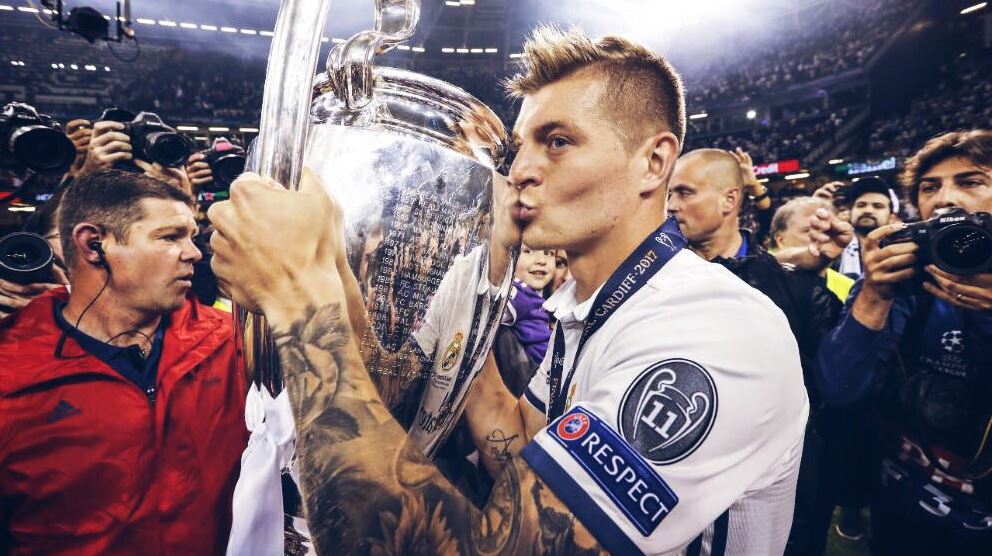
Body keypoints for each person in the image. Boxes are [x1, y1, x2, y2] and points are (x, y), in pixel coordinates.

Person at [208, 25, 808, 555]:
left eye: (558, 141)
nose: (520, 169)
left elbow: (501, 546)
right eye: (521, 147)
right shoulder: (590, 309)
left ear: (654, 163)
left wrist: (300, 296)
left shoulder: (713, 329)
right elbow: (515, 443)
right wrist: (341, 270)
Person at [0, 169, 248, 555]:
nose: (194, 253)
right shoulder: (12, 371)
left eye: (192, 237)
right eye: (170, 237)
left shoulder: (233, 345)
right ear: (93, 244)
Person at [815, 130, 992, 555]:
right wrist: (874, 296)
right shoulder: (901, 279)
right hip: (901, 508)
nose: (945, 198)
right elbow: (838, 389)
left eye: (970, 181)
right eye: (930, 187)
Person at [666, 148, 842, 555]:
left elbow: (826, 389)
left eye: (685, 192)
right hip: (683, 474)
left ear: (729, 199)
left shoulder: (794, 286)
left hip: (773, 482)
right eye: (670, 194)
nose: (671, 205)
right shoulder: (656, 277)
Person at [492, 244, 555, 397]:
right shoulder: (517, 291)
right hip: (532, 372)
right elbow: (490, 311)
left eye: (548, 253)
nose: (541, 260)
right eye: (528, 251)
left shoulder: (538, 294)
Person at [768, 196, 855, 302]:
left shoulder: (849, 287)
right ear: (781, 240)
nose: (821, 238)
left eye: (827, 231)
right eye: (808, 230)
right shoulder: (758, 274)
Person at [833, 176, 899, 279]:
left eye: (877, 206)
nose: (868, 210)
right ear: (850, 212)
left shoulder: (901, 253)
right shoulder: (833, 250)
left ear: (891, 217)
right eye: (861, 205)